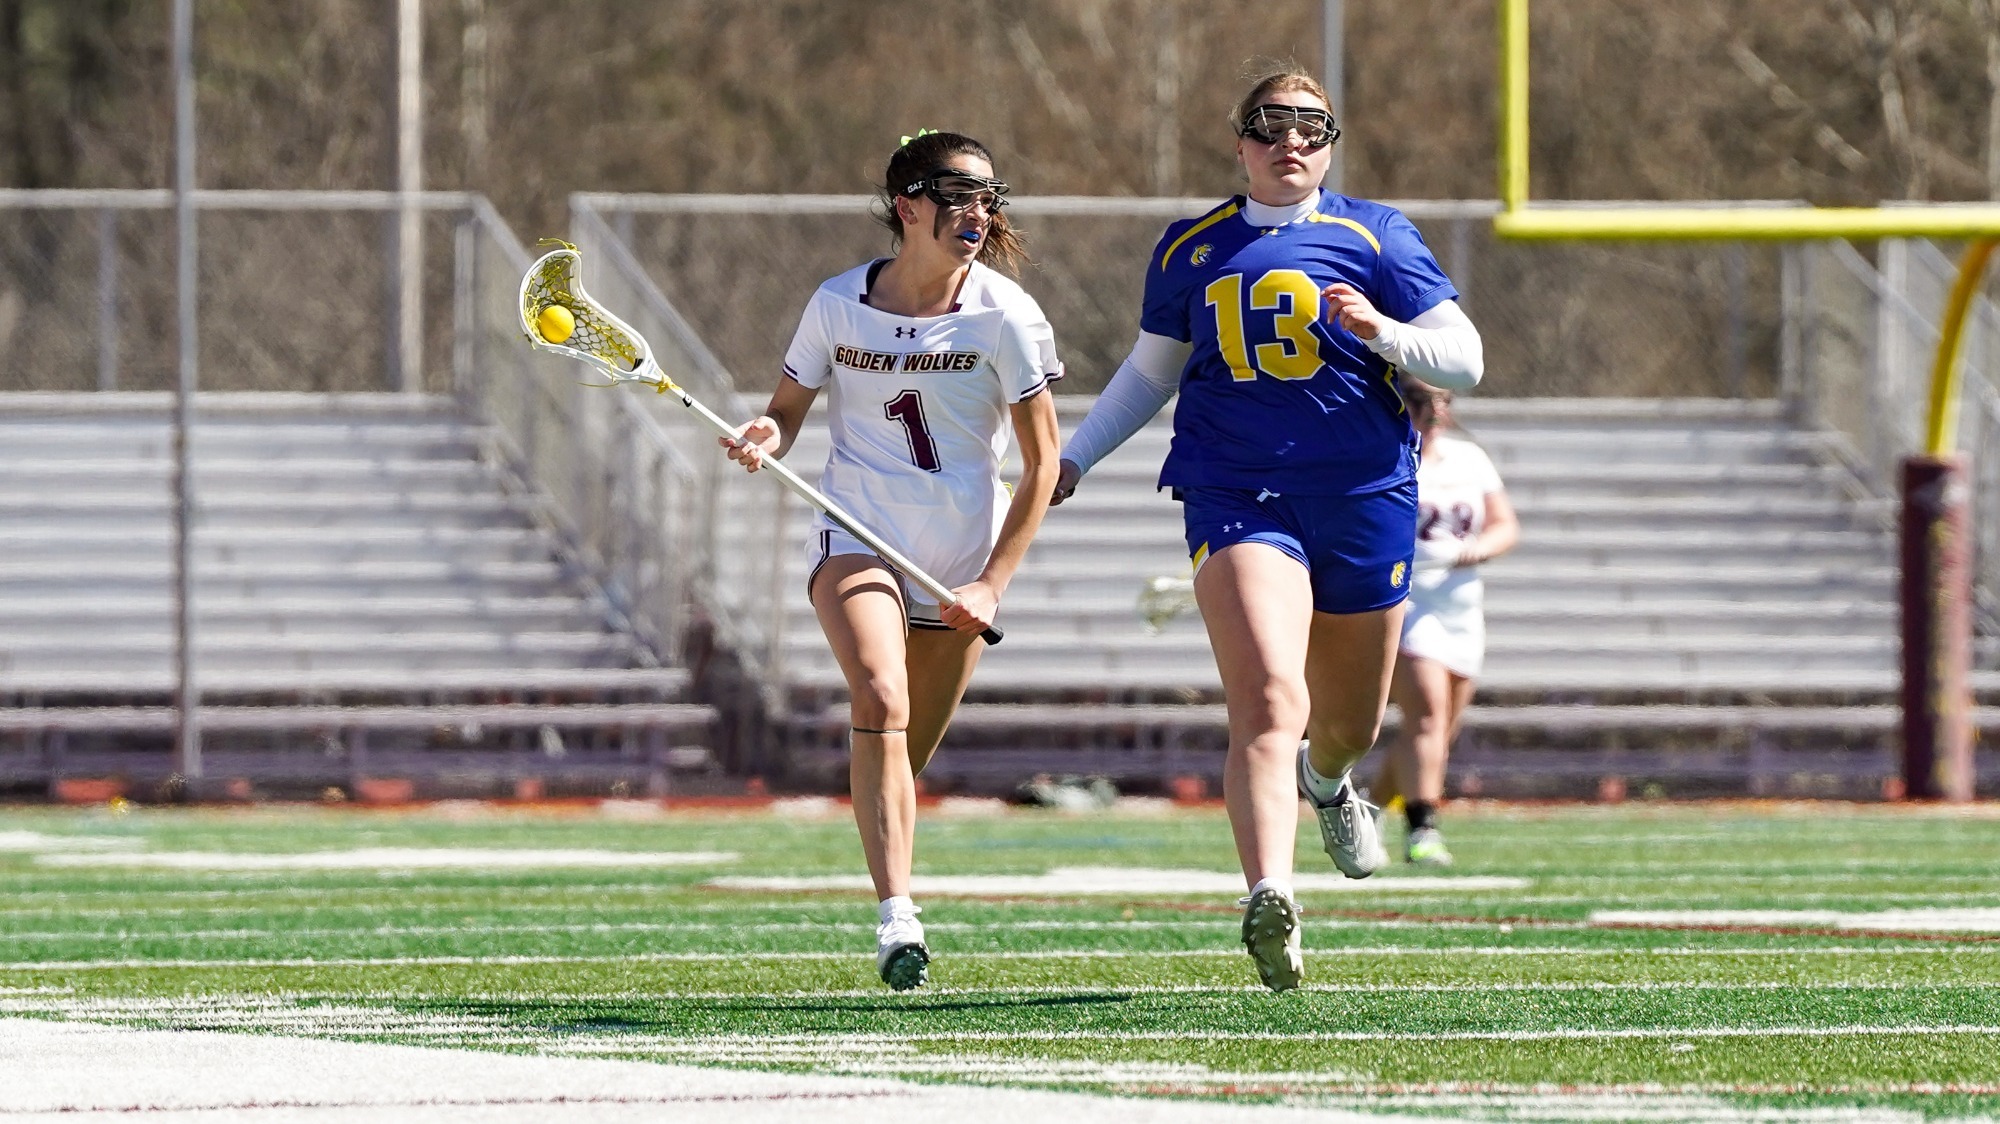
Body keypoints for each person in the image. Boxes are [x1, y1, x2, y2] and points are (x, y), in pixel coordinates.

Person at [1050, 71, 1483, 990]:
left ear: (1331, 141)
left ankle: (1329, 783)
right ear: (1240, 141)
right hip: (1236, 490)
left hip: (1364, 491)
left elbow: (1467, 357)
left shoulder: (1376, 234)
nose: (1291, 143)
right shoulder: (1192, 248)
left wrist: (1387, 333)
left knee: (1349, 724)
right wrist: (1074, 456)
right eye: (1270, 127)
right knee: (1267, 697)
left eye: (1311, 128)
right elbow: (1148, 374)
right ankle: (1271, 896)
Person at [723, 130, 1062, 990]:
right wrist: (768, 433)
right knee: (880, 693)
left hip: (959, 558)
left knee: (901, 760)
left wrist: (993, 580)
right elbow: (787, 410)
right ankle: (898, 920)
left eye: (989, 197)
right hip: (857, 531)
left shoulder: (1005, 315)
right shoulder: (837, 302)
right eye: (957, 195)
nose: (977, 213)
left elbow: (1044, 463)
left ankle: (886, 862)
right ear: (908, 205)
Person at [1375, 377, 1517, 866]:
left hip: (1460, 604)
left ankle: (1370, 810)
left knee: (1439, 730)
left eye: (1442, 401)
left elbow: (1504, 525)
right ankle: (1423, 830)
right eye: (1419, 401)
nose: (1432, 412)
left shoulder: (1468, 459)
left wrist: (1473, 550)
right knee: (1428, 717)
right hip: (1409, 601)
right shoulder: (1385, 453)